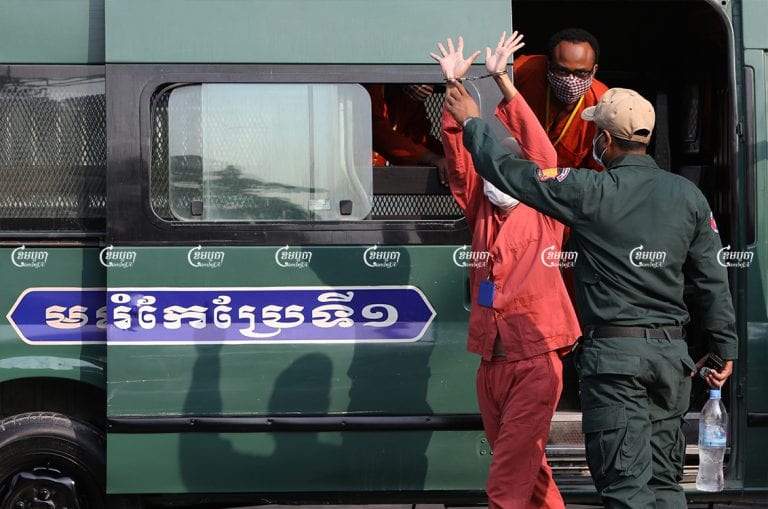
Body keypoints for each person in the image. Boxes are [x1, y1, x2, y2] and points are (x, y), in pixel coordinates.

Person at [444, 84, 738, 508]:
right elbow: (713, 280)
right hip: (671, 360)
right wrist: (724, 347)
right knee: (664, 484)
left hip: (616, 362)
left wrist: (472, 122)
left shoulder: (588, 191)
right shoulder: (688, 196)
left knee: (626, 486)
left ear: (605, 140)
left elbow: (511, 174)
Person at [431, 33, 581, 508]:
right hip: (491, 362)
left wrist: (502, 81)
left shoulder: (546, 209)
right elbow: (460, 161)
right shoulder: (479, 208)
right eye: (492, 166)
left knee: (506, 481)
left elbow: (544, 156)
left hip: (534, 360)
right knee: (527, 470)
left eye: (508, 166)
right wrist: (453, 89)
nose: (497, 177)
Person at [514, 28, 608, 170]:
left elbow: (598, 170)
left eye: (581, 72)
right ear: (548, 65)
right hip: (518, 171)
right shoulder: (524, 71)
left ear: (594, 70)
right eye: (562, 71)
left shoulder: (601, 103)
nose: (571, 81)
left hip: (569, 181)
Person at [364, 83, 449, 184]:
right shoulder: (369, 87)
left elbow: (417, 136)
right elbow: (378, 133)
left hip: (380, 176)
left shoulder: (410, 98)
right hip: (358, 170)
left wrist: (448, 158)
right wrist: (430, 157)